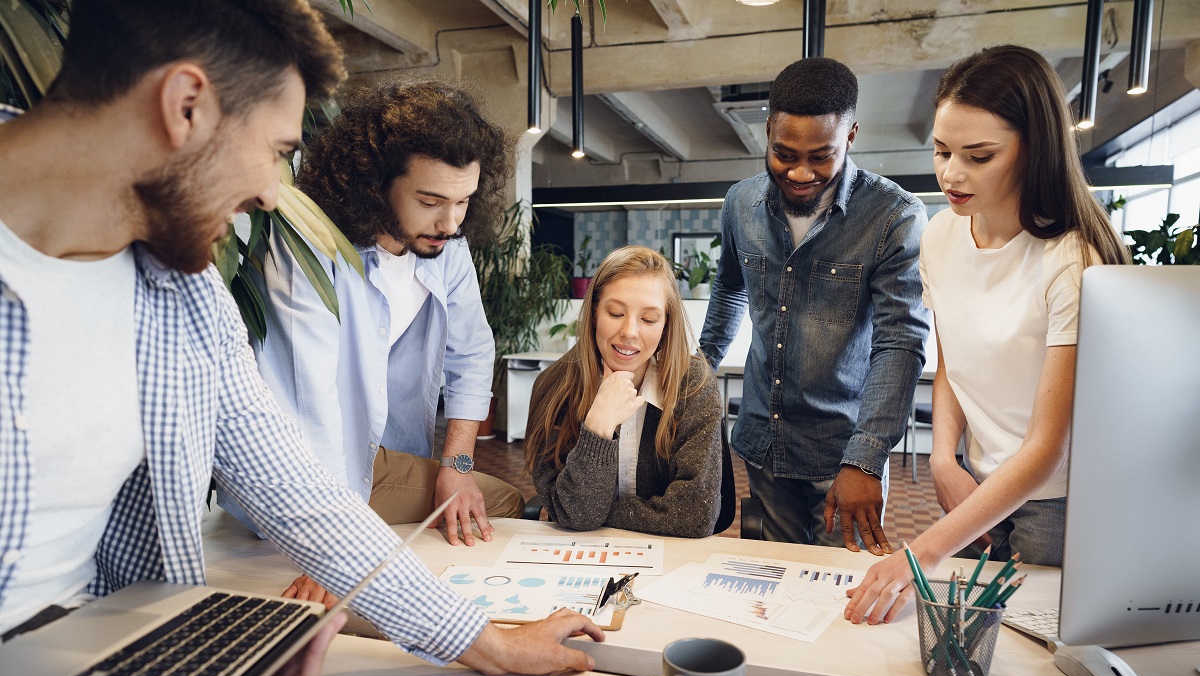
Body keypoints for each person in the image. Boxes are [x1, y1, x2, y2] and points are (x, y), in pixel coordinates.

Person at [0, 2, 600, 676]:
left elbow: (295, 487)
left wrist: (483, 641)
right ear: (185, 106)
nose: (272, 197)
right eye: (276, 152)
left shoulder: (182, 292)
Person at [844, 45, 1131, 625]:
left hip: (1057, 500)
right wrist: (943, 460)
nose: (951, 173)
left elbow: (1049, 450)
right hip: (978, 481)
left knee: (1033, 661)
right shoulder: (940, 236)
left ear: (1034, 149)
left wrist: (919, 555)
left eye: (979, 156)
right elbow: (955, 358)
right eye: (943, 150)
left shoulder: (1073, 260)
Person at [219, 80, 523, 559]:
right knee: (494, 508)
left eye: (462, 201)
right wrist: (331, 547)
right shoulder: (307, 243)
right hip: (298, 472)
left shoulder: (446, 248)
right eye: (430, 202)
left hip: (383, 455)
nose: (451, 223)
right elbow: (307, 402)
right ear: (375, 183)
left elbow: (472, 351)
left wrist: (458, 463)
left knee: (485, 499)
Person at [699, 58, 929, 552]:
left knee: (839, 598)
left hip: (842, 454)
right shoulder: (740, 203)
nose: (800, 171)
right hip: (763, 442)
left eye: (820, 156)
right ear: (767, 132)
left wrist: (866, 459)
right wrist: (697, 370)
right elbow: (729, 287)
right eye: (783, 153)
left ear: (850, 137)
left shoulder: (893, 216)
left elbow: (900, 342)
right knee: (770, 582)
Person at [525, 246, 724, 537]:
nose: (630, 332)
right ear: (594, 313)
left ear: (666, 325)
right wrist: (599, 425)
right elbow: (574, 514)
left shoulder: (692, 385)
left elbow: (695, 514)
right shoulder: (554, 387)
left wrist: (600, 513)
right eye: (616, 313)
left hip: (670, 557)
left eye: (649, 319)